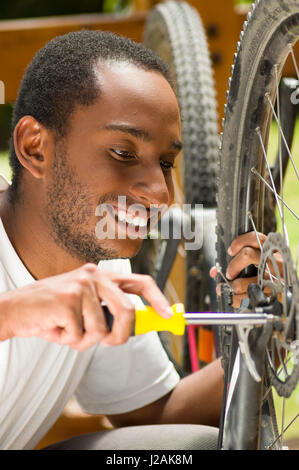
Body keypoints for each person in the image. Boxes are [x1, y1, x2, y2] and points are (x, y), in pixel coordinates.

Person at [0, 30, 265, 451]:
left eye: (165, 163)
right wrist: (16, 313)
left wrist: (268, 332)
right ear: (36, 148)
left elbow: (158, 416)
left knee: (194, 445)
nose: (160, 193)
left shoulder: (101, 261)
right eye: (123, 153)